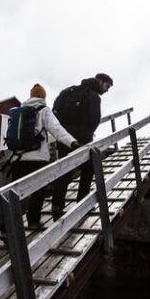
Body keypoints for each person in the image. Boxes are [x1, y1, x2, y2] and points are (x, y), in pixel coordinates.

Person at [2, 83, 80, 231]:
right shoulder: (44, 110)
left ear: (31, 95)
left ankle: (5, 230)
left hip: (17, 159)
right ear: (43, 97)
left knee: (14, 194)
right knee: (38, 191)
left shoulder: (18, 111)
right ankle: (33, 221)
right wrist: (72, 142)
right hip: (37, 158)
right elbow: (56, 129)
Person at [50, 73, 113, 219]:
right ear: (99, 81)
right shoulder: (94, 97)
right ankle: (82, 203)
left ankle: (57, 206)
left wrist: (64, 131)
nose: (107, 90)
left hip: (64, 138)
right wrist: (86, 133)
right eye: (107, 86)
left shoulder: (68, 91)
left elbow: (55, 110)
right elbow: (94, 119)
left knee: (64, 171)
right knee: (88, 168)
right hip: (83, 139)